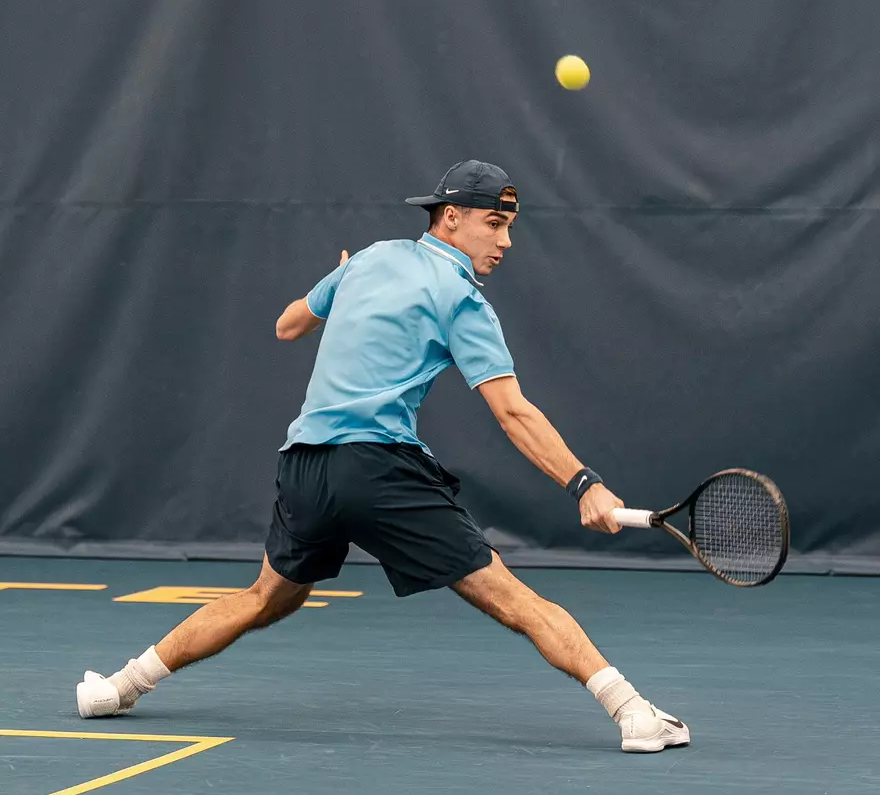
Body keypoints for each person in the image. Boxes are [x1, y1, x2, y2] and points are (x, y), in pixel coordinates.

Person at [76, 160, 689, 754]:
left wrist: (340, 281)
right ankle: (634, 713)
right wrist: (584, 483)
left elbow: (288, 325)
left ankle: (117, 688)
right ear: (451, 217)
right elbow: (513, 413)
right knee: (513, 599)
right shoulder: (462, 299)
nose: (505, 242)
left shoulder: (368, 259)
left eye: (509, 227)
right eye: (494, 224)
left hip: (304, 468)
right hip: (377, 471)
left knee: (266, 597)